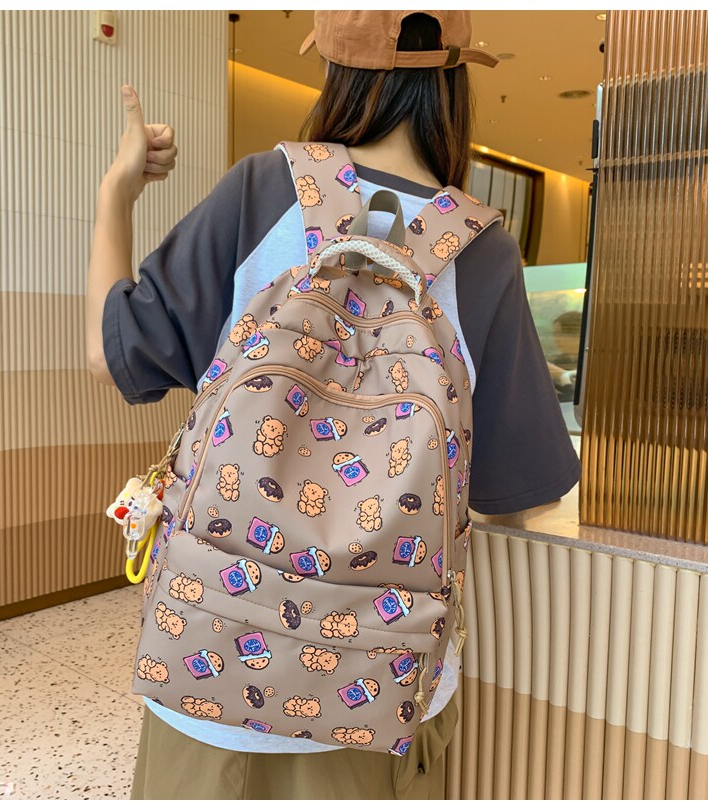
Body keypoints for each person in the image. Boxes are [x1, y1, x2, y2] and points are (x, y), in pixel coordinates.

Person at [86, 10, 580, 801]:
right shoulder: (483, 248)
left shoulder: (260, 190)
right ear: (455, 82)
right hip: (378, 690)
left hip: (209, 660)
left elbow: (112, 353)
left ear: (337, 72)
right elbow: (515, 491)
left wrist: (117, 192)